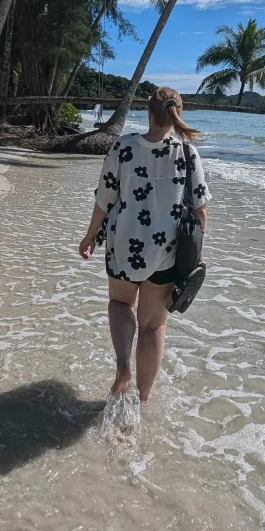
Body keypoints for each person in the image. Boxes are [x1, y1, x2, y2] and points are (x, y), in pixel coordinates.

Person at [79, 87, 210, 402]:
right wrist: (197, 253)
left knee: (121, 305)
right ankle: (143, 398)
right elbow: (200, 210)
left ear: (148, 112)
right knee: (152, 326)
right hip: (166, 254)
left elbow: (104, 200)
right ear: (177, 115)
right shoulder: (187, 153)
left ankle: (123, 368)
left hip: (123, 246)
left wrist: (89, 236)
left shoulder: (123, 147)